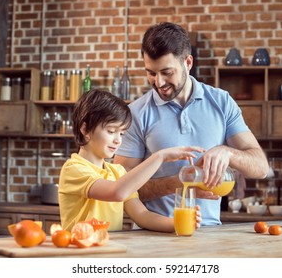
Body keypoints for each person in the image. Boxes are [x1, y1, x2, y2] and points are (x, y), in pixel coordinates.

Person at [114, 22, 269, 225]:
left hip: (210, 234)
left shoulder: (222, 102)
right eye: (151, 73)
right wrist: (179, 183)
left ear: (188, 63)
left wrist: (227, 152)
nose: (158, 82)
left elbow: (261, 168)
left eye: (167, 72)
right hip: (154, 236)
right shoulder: (135, 113)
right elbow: (121, 190)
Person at [58, 89, 203, 232]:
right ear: (85, 129)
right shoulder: (74, 169)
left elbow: (142, 215)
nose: (118, 140)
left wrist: (179, 223)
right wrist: (159, 157)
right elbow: (117, 192)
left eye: (121, 133)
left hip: (109, 251)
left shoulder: (118, 172)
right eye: (111, 131)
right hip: (81, 252)